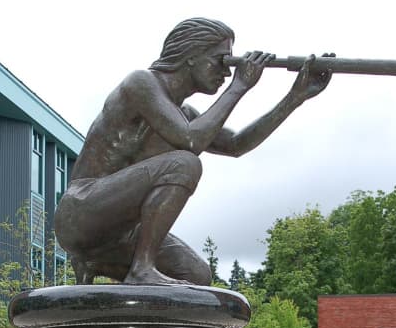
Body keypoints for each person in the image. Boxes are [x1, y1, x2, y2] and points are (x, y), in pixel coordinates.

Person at [54, 18, 333, 285]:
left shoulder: (182, 114)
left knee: (195, 275)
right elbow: (191, 141)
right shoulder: (140, 84)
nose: (226, 72)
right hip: (82, 212)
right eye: (221, 60)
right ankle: (142, 268)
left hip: (118, 234)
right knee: (184, 163)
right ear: (191, 56)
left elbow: (236, 144)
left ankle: (97, 261)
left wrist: (294, 98)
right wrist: (239, 87)